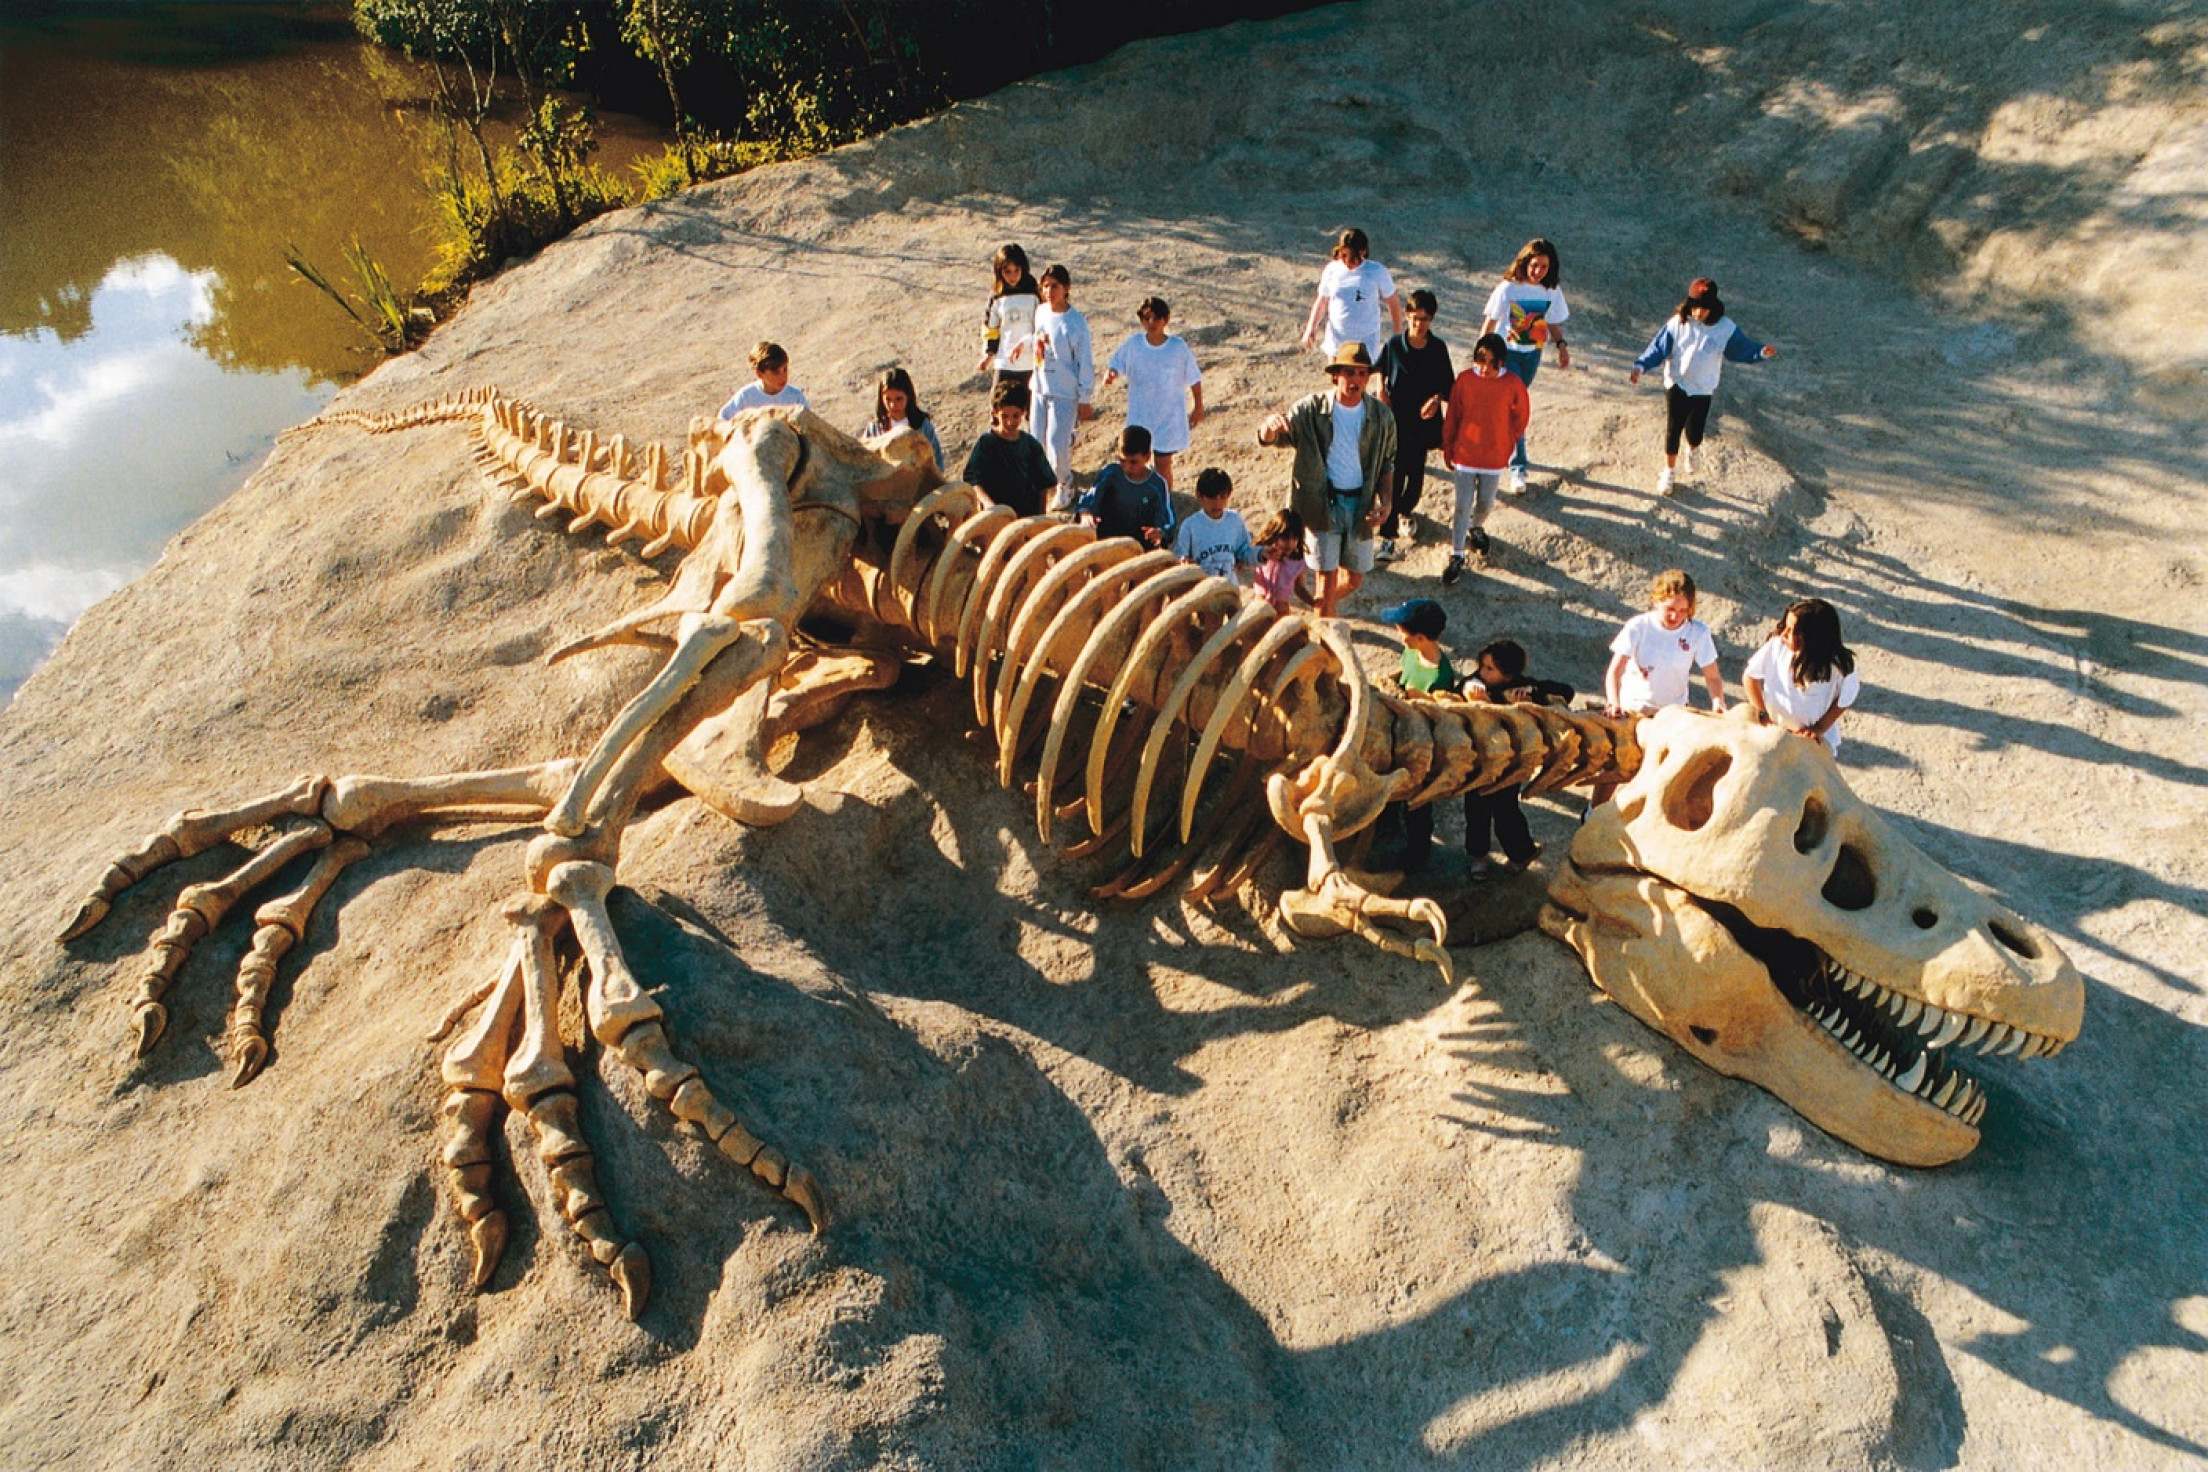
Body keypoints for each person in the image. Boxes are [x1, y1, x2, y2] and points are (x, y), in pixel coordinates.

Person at [1256, 343, 1396, 619]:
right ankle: (1323, 640)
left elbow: (1387, 463)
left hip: (1361, 507)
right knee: (1326, 580)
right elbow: (1273, 438)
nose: (1355, 380)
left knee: (1354, 579)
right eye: (1348, 372)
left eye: (1361, 373)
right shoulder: (1310, 410)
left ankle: (1321, 607)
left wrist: (1388, 501)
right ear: (1335, 376)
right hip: (1321, 507)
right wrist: (1268, 427)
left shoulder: (1382, 417)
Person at [1628, 277, 1779, 494]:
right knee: (1673, 429)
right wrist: (1640, 366)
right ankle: (1669, 472)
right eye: (1695, 306)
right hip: (1677, 383)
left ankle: (1693, 449)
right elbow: (1658, 347)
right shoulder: (1678, 323)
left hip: (1702, 389)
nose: (1698, 312)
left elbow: (1740, 348)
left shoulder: (1725, 329)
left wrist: (1760, 352)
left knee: (1695, 431)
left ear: (1713, 307)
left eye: (1703, 308)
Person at [1591, 568, 1726, 808]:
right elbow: (1615, 671)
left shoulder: (1698, 632)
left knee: (1663, 773)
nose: (1676, 616)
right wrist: (1613, 702)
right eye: (1670, 609)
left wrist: (1718, 701)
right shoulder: (1638, 627)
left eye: (1683, 610)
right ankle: (1593, 812)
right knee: (1614, 766)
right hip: (1632, 709)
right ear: (1656, 601)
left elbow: (1712, 676)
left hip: (1671, 714)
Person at [1437, 332, 1530, 587]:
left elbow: (1521, 416)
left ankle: (1476, 528)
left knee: (1486, 503)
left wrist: (1508, 440)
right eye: (1480, 360)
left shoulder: (1513, 384)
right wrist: (1448, 446)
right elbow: (1453, 415)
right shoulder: (1465, 380)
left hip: (1493, 457)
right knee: (1461, 506)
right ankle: (1457, 554)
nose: (1485, 367)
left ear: (1502, 362)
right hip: (1466, 455)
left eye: (1493, 363)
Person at [1478, 237, 1571, 493]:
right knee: (1516, 407)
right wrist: (1481, 354)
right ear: (1524, 262)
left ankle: (1497, 443)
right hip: (1508, 355)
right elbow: (1490, 321)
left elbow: (1552, 322)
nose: (1538, 271)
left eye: (1544, 267)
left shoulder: (1550, 290)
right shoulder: (1508, 288)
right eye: (1534, 265)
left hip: (1532, 356)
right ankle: (1518, 468)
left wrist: (1561, 345)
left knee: (1508, 408)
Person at [1459, 639, 1558, 876]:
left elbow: (1562, 691)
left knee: (1506, 812)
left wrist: (1529, 699)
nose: (1482, 672)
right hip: (1479, 761)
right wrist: (1468, 688)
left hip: (1508, 764)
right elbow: (1461, 687)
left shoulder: (1521, 687)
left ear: (1508, 675)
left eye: (1490, 669)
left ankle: (1521, 854)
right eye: (1482, 666)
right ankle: (1478, 857)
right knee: (1476, 811)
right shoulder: (1478, 683)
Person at [1373, 288, 1455, 562]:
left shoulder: (1438, 349)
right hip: (1395, 424)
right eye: (1415, 318)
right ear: (1407, 315)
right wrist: (1380, 391)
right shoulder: (1395, 345)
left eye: (1426, 319)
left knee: (1415, 484)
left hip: (1421, 427)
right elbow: (1380, 369)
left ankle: (1404, 512)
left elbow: (1448, 386)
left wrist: (1435, 400)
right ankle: (1387, 537)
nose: (1420, 324)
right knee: (1393, 481)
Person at [1379, 597, 1458, 874]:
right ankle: (1386, 825)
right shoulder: (1411, 653)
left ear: (1421, 637)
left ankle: (1418, 851)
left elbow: (1436, 711)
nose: (1398, 634)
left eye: (1401, 630)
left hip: (1421, 743)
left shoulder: (1441, 674)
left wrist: (1412, 698)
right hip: (1397, 731)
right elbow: (1403, 676)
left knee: (1418, 800)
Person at [1103, 295, 1204, 491]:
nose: (1151, 322)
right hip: (1141, 416)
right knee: (1136, 463)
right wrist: (1111, 373)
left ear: (1165, 320)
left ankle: (1164, 502)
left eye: (1156, 318)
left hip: (1168, 417)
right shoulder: (1134, 344)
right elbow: (1116, 363)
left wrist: (1198, 406)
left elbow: (1194, 377)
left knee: (1163, 464)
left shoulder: (1177, 347)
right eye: (1146, 318)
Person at [1744, 597, 1859, 754]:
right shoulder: (1776, 647)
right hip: (1773, 731)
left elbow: (1845, 699)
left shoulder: (1840, 666)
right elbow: (1750, 677)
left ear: (1812, 638)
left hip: (1811, 740)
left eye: (1792, 631)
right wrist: (1762, 713)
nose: (1784, 633)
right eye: (1786, 626)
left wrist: (1819, 727)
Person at [1032, 263, 1096, 511]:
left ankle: (1066, 484)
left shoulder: (1075, 323)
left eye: (1054, 286)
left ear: (1066, 288)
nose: (1049, 291)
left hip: (1064, 392)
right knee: (1037, 441)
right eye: (1045, 286)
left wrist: (1084, 397)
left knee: (1056, 445)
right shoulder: (1040, 312)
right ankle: (1040, 485)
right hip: (1039, 387)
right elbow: (1038, 339)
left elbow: (1084, 361)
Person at [1299, 227, 1405, 361]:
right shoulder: (1332, 270)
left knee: (1359, 379)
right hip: (1337, 339)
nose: (1346, 261)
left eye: (1352, 256)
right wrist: (1311, 328)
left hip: (1366, 341)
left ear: (1363, 252)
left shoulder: (1376, 271)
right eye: (1343, 255)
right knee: (1337, 378)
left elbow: (1393, 303)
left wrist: (1397, 336)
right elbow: (1322, 301)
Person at [961, 381, 1058, 517]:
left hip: (1026, 519)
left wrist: (1040, 518)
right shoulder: (986, 443)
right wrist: (988, 505)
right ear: (995, 413)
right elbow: (972, 479)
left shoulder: (1031, 445)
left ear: (1024, 413)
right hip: (995, 518)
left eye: (1015, 416)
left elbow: (1043, 485)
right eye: (1004, 416)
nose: (1010, 422)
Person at [1076, 425, 1176, 547]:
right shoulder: (1111, 473)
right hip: (1105, 543)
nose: (1127, 467)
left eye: (1133, 462)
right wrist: (1086, 514)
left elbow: (1167, 519)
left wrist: (1160, 532)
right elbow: (1089, 499)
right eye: (1122, 461)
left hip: (1138, 547)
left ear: (1147, 457)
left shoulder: (1157, 485)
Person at [975, 243, 1043, 392]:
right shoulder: (997, 296)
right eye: (1007, 271)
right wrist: (988, 355)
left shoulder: (1034, 292)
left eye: (1016, 271)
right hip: (1004, 362)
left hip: (1030, 362)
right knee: (999, 405)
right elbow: (991, 328)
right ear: (999, 271)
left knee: (1030, 411)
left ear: (1023, 269)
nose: (1012, 276)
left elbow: (1042, 325)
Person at [1172, 468, 1258, 582]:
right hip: (1202, 590)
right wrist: (1184, 563)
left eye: (1222, 496)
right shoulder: (1190, 526)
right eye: (1212, 497)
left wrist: (1262, 554)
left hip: (1229, 589)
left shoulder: (1235, 521)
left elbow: (1245, 552)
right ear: (1199, 495)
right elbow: (1180, 557)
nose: (1217, 503)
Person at [854, 365, 945, 468]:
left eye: (899, 399)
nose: (893, 405)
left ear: (908, 396)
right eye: (888, 399)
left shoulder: (922, 426)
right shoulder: (875, 430)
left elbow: (937, 464)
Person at [717, 340, 809, 420]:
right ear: (759, 373)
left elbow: (811, 428)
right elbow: (723, 419)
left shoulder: (796, 397)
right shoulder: (746, 397)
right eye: (775, 372)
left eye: (785, 369)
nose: (783, 376)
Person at [1249, 509, 1310, 612]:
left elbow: (1299, 587)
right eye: (1285, 538)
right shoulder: (1264, 553)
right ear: (1275, 534)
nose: (1290, 543)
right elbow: (1246, 558)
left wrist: (1312, 602)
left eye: (1294, 538)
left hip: (1281, 608)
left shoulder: (1298, 562)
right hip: (1260, 604)